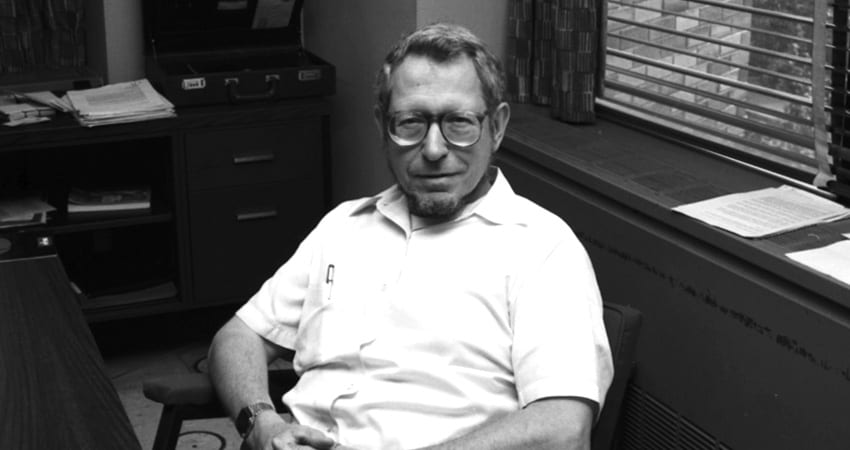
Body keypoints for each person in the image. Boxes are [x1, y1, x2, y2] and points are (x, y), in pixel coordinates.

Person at [208, 22, 613, 450]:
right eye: (411, 122)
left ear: (496, 126)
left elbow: (563, 429)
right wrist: (262, 421)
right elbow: (237, 337)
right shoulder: (343, 226)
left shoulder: (542, 247)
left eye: (458, 121)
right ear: (384, 125)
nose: (435, 149)